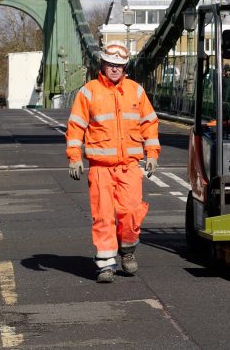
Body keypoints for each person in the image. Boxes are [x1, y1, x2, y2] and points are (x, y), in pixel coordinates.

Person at [66, 42, 160, 283]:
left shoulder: (136, 91)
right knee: (103, 216)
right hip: (101, 168)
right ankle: (106, 263)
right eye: (110, 64)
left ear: (125, 67)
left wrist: (152, 153)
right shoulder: (88, 92)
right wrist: (74, 157)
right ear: (102, 64)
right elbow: (76, 126)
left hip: (129, 166)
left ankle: (127, 250)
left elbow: (149, 123)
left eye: (119, 65)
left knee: (131, 212)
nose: (115, 69)